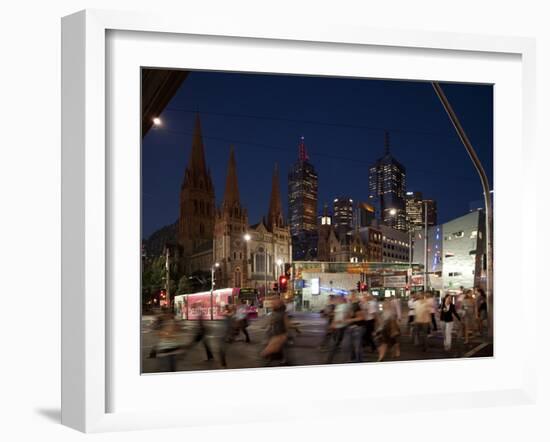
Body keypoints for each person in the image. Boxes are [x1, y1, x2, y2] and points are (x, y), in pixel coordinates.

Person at [327, 296, 350, 363]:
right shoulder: (338, 306)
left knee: (335, 343)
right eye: (337, 299)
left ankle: (329, 359)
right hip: (336, 327)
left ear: (342, 300)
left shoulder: (345, 306)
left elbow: (347, 315)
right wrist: (332, 324)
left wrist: (341, 320)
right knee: (335, 341)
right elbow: (335, 315)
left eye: (338, 299)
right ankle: (331, 356)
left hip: (341, 327)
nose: (337, 300)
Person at [348, 291, 367, 362]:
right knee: (353, 346)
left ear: (353, 296)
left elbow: (362, 318)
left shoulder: (357, 305)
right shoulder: (352, 305)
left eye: (349, 295)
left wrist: (349, 320)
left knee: (357, 347)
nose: (348, 296)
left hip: (358, 328)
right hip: (352, 327)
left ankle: (359, 361)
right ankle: (354, 359)